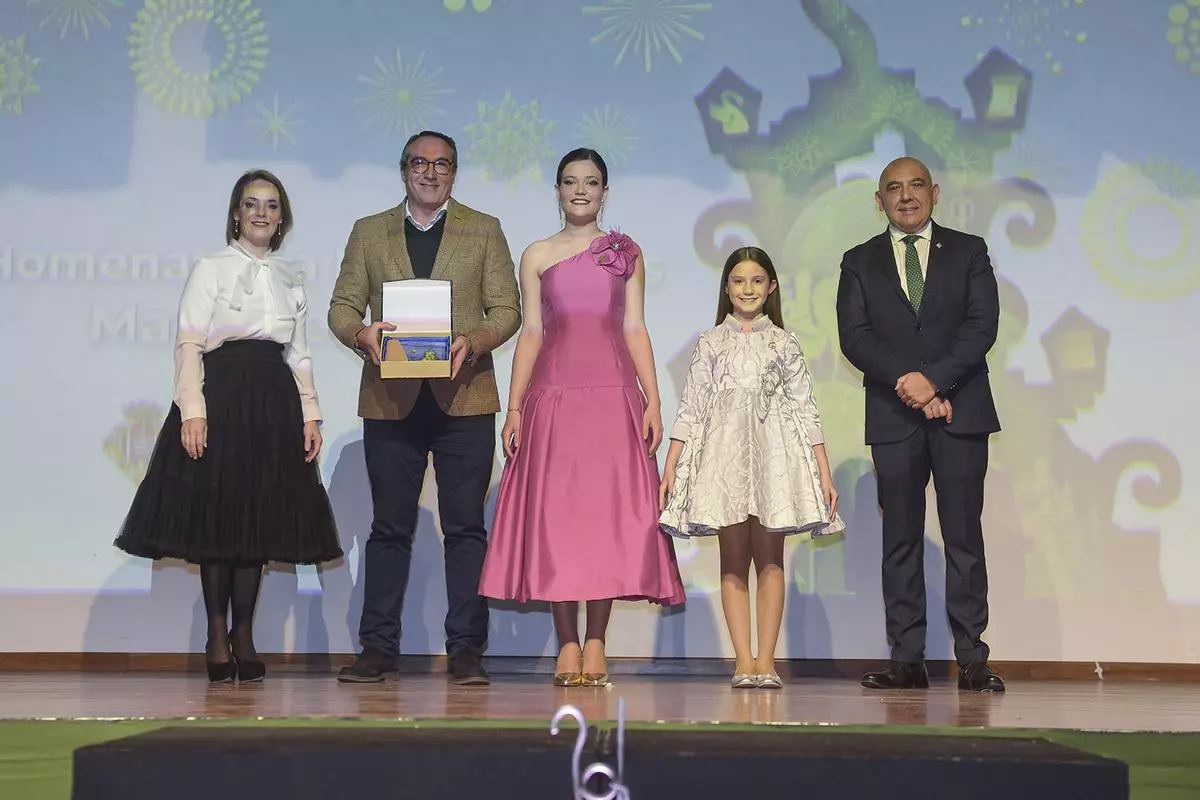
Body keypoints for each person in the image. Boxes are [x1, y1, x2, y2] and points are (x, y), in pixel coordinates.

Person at [114, 168, 341, 684]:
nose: (261, 212)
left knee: (257, 520)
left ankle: (244, 633)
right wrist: (192, 410)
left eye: (271, 205)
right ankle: (216, 634)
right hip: (221, 398)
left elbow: (299, 353)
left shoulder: (291, 276)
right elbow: (189, 343)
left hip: (273, 403)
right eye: (251, 203)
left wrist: (310, 414)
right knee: (218, 520)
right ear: (236, 214)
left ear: (282, 219)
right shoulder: (210, 268)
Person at [478, 148, 685, 687]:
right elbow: (532, 332)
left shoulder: (625, 253)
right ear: (557, 190)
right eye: (570, 181)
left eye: (591, 182)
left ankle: (596, 641)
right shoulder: (537, 254)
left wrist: (653, 400)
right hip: (554, 398)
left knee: (605, 522)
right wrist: (515, 407)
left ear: (605, 192)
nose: (580, 191)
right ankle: (567, 642)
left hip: (613, 398)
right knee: (559, 522)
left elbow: (634, 327)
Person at [328, 130, 521, 685]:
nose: (431, 172)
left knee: (465, 530)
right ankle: (377, 648)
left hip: (465, 397)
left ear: (454, 172)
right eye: (420, 162)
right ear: (403, 169)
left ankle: (466, 651)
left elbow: (507, 308)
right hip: (391, 399)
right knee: (388, 529)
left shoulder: (485, 228)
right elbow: (342, 305)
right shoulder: (369, 231)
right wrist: (360, 334)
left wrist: (474, 342)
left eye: (442, 164)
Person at [835, 156, 1005, 692]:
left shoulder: (969, 251)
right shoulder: (859, 261)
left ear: (935, 192)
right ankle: (907, 659)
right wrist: (910, 385)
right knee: (900, 539)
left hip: (961, 413)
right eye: (893, 188)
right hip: (894, 417)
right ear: (879, 200)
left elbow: (982, 325)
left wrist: (936, 382)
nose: (905, 196)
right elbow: (855, 337)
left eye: (915, 186)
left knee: (964, 537)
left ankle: (972, 659)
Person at [659, 246, 843, 689]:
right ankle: (743, 661)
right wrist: (672, 463)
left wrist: (823, 470)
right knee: (732, 560)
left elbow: (806, 408)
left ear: (771, 287)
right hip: (723, 461)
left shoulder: (784, 342)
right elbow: (691, 406)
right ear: (726, 288)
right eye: (739, 281)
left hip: (774, 459)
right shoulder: (710, 342)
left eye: (757, 280)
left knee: (771, 559)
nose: (747, 289)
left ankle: (766, 661)